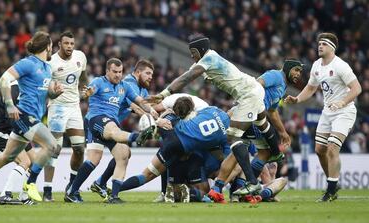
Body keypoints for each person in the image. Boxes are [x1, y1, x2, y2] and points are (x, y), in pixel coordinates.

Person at [148, 35, 282, 197]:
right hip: (252, 89)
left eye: (193, 52)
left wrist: (164, 93)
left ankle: (252, 183)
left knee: (232, 139)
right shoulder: (207, 59)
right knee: (262, 124)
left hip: (248, 95)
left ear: (201, 51)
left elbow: (187, 77)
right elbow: (188, 73)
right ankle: (276, 152)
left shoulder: (209, 59)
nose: (192, 55)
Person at [0, 31, 64, 204]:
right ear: (47, 46)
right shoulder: (28, 63)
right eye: (51, 46)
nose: (52, 50)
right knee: (52, 145)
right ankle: (30, 184)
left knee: (7, 158)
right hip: (24, 116)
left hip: (34, 118)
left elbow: (45, 93)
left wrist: (54, 94)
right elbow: (4, 79)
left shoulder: (47, 68)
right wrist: (10, 104)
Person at [64, 58, 158, 204]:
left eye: (120, 72)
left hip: (111, 122)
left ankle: (110, 196)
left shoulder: (125, 86)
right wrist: (87, 92)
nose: (118, 75)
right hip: (96, 119)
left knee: (122, 154)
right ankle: (137, 137)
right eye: (114, 72)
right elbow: (89, 91)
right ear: (107, 71)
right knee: (113, 132)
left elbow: (140, 101)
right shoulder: (98, 82)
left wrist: (152, 111)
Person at [285, 32, 362, 202]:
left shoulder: (341, 66)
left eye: (324, 44)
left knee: (332, 147)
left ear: (332, 47)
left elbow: (357, 89)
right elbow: (311, 88)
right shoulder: (316, 66)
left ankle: (331, 190)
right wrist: (297, 99)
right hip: (327, 112)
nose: (320, 46)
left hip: (345, 110)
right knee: (320, 150)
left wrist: (342, 103)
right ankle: (333, 183)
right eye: (319, 43)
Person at [119, 97, 230, 198]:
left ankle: (116, 189)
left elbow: (163, 124)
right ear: (191, 108)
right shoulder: (202, 120)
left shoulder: (172, 117)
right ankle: (182, 192)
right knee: (199, 191)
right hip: (186, 151)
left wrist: (159, 120)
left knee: (147, 174)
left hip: (171, 142)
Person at [90, 59, 154, 199]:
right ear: (138, 72)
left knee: (124, 154)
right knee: (94, 159)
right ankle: (75, 188)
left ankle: (100, 183)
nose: (150, 77)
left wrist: (156, 111)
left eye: (152, 74)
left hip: (114, 123)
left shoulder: (142, 88)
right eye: (148, 73)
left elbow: (146, 103)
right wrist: (151, 119)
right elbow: (135, 106)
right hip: (103, 121)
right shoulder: (129, 83)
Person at [42, 31, 88, 202]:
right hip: (57, 108)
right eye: (66, 43)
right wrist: (53, 92)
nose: (69, 47)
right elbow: (46, 88)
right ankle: (47, 190)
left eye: (72, 44)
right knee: (54, 149)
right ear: (59, 44)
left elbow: (83, 78)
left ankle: (71, 187)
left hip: (74, 107)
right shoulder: (51, 62)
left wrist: (85, 88)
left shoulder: (80, 57)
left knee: (79, 148)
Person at [0, 80, 35, 205]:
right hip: (4, 134)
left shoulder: (27, 89)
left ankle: (24, 196)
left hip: (18, 133)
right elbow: (11, 119)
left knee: (35, 162)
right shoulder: (14, 90)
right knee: (25, 161)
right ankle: (5, 194)